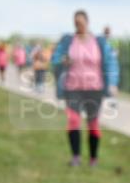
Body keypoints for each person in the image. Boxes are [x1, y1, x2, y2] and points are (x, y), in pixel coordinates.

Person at [51, 10, 119, 167]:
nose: (78, 25)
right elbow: (55, 59)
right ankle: (76, 157)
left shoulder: (99, 42)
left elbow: (111, 62)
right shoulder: (68, 41)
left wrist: (113, 83)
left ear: (87, 22)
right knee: (74, 121)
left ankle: (93, 159)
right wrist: (62, 60)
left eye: (81, 22)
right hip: (72, 87)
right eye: (76, 23)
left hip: (94, 88)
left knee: (93, 123)